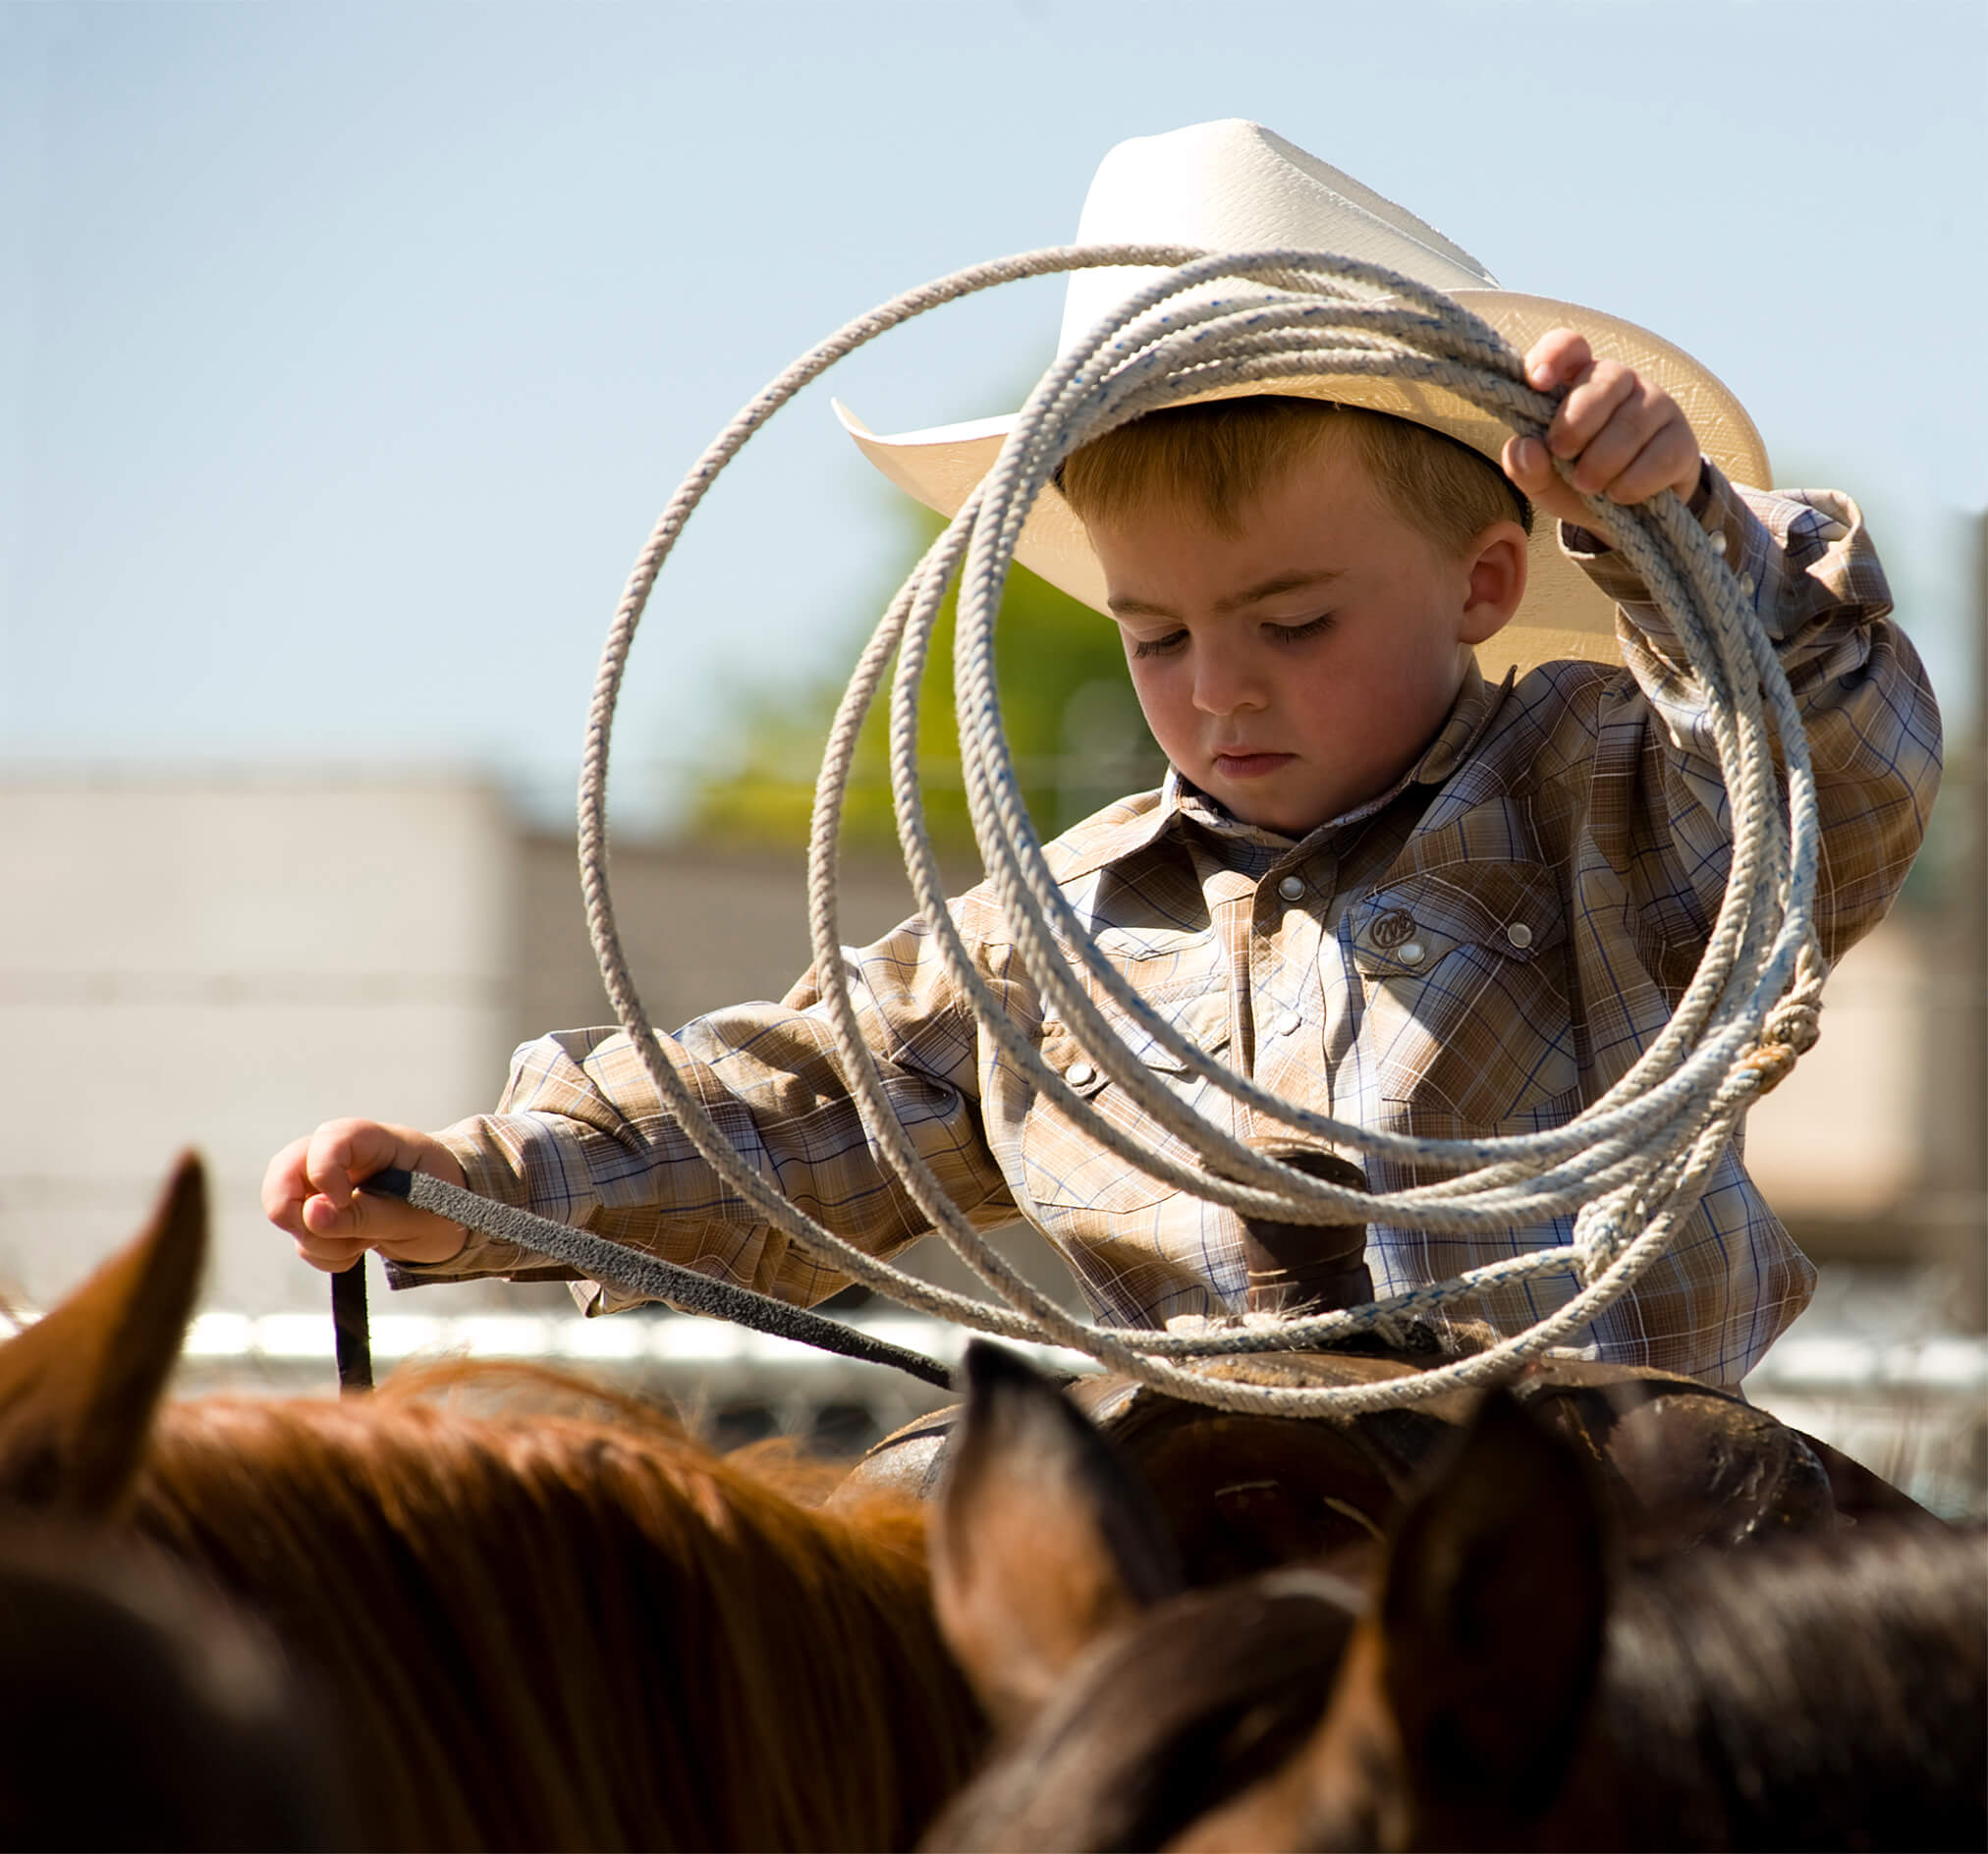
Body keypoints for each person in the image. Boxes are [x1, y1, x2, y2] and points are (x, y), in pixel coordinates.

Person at [263, 122, 1940, 1387]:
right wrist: (479, 1181)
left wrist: (1682, 544)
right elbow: (808, 1099)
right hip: (1206, 1504)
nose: (1223, 694)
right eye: (1157, 637)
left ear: (1486, 584)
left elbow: (1829, 762)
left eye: (1294, 626)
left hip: (1602, 1503)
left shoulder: (1620, 797)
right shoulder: (1058, 936)